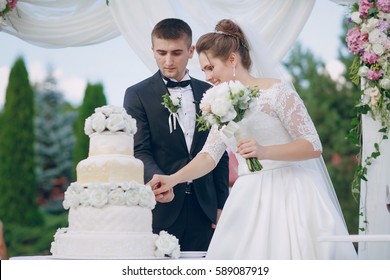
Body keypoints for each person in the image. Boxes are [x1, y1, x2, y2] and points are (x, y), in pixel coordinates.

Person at [150, 19, 358, 259]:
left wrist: (265, 151)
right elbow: (208, 156)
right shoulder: (218, 104)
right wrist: (172, 179)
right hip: (248, 195)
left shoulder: (277, 92)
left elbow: (312, 145)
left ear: (231, 59)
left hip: (291, 193)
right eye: (204, 69)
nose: (207, 76)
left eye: (210, 67)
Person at [123, 18, 229, 252]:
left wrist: (222, 205)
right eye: (161, 52)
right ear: (152, 51)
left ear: (191, 51)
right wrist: (160, 181)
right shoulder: (136, 95)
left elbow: (220, 155)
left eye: (176, 52)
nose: (168, 61)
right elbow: (139, 150)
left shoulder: (212, 92)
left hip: (206, 211)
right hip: (162, 208)